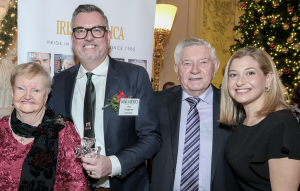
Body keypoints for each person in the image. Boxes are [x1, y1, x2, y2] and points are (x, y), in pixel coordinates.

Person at [48, 4, 162, 191]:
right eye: (81, 31)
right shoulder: (59, 82)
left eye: (97, 30)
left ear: (108, 37)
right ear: (72, 38)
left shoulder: (134, 76)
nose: (89, 37)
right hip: (71, 186)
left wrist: (113, 164)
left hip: (124, 185)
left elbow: (152, 137)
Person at [151, 38, 240, 191]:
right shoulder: (155, 103)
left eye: (203, 62)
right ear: (177, 68)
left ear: (216, 66)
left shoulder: (235, 105)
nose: (195, 70)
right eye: (187, 63)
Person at [220, 46, 300, 190]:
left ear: (268, 79)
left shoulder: (281, 128)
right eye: (233, 75)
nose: (240, 82)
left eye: (250, 73)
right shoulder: (243, 120)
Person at [0, 62, 89, 190]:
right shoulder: (1, 128)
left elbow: (77, 186)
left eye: (36, 90)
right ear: (12, 93)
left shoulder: (64, 132)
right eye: (21, 88)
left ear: (46, 96)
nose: (28, 96)